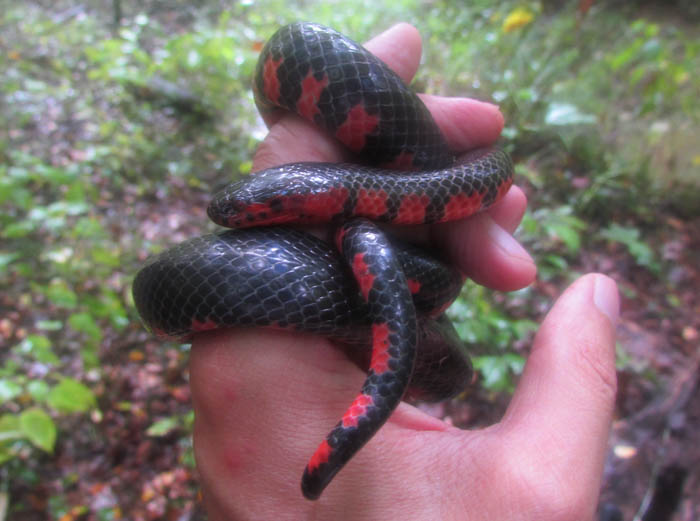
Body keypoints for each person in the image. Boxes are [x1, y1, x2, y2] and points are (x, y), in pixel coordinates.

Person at [189, 23, 619, 521]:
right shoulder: (372, 204)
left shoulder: (402, 194)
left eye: (260, 209)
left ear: (310, 200)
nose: (240, 221)